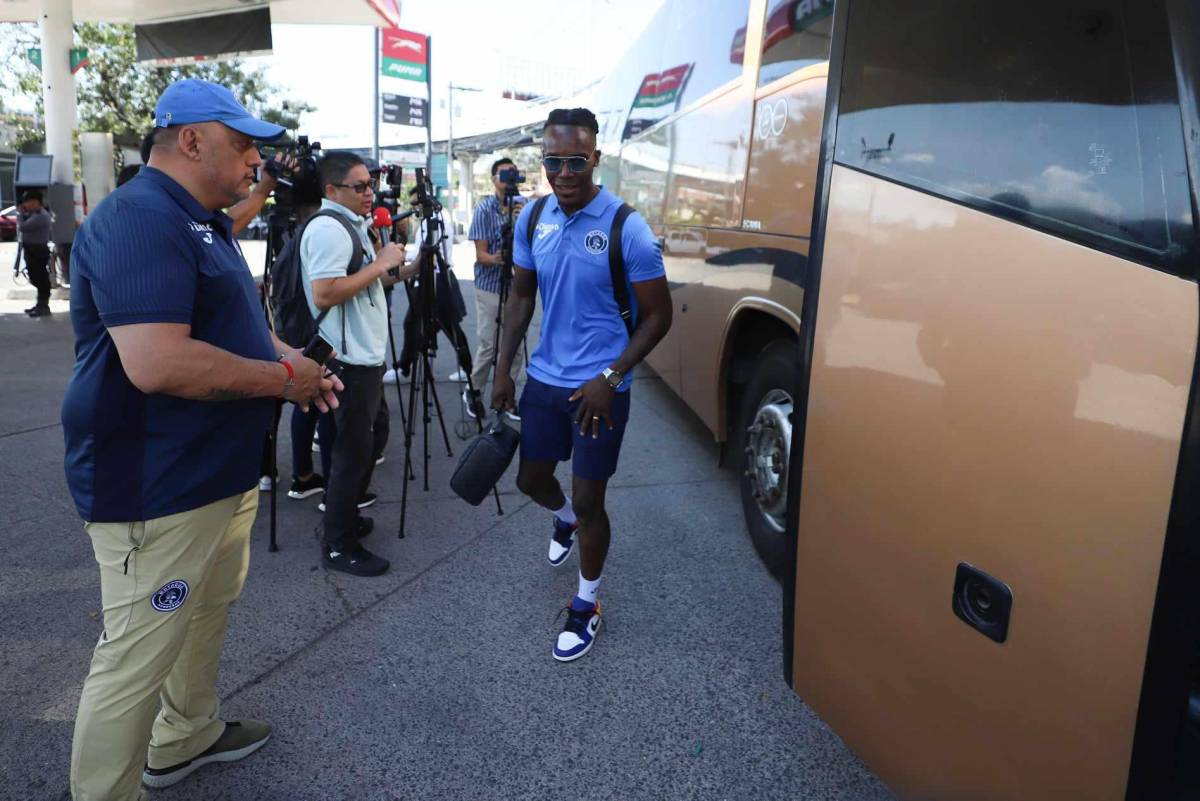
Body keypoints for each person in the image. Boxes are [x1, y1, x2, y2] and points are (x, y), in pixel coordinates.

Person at [60, 78, 342, 800]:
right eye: (242, 142)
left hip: (215, 477)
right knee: (133, 662)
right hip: (155, 487)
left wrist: (293, 364)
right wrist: (284, 381)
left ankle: (185, 735)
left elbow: (233, 328)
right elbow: (158, 361)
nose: (256, 159)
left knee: (206, 613)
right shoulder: (139, 217)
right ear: (191, 140)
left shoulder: (202, 220)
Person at [493, 107, 673, 662]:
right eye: (554, 161)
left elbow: (658, 316)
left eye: (576, 161)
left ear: (595, 158)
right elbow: (522, 295)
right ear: (542, 161)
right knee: (529, 481)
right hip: (544, 379)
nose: (565, 172)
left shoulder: (626, 226)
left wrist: (612, 376)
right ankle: (563, 517)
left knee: (592, 501)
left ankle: (587, 602)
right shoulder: (533, 217)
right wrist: (503, 368)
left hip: (600, 388)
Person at [301, 151, 416, 577]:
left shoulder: (351, 225)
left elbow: (372, 278)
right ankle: (338, 543)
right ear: (332, 190)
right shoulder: (331, 229)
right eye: (360, 186)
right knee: (353, 449)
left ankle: (344, 518)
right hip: (346, 359)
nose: (371, 193)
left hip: (362, 355)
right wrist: (382, 265)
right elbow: (326, 293)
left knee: (366, 438)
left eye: (372, 184)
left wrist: (404, 267)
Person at [465, 158, 527, 418]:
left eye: (514, 173)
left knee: (513, 346)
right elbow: (482, 256)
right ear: (493, 179)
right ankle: (474, 391)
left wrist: (521, 224)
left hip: (517, 288)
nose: (510, 178)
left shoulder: (525, 207)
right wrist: (504, 254)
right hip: (490, 285)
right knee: (489, 344)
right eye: (504, 174)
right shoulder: (484, 209)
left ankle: (508, 395)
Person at [17, 190, 53, 317]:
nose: (25, 205)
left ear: (35, 202)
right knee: (36, 277)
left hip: (37, 251)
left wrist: (20, 214)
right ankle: (40, 304)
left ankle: (43, 306)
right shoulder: (34, 214)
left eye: (28, 202)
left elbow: (23, 227)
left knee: (40, 278)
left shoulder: (40, 216)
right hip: (32, 250)